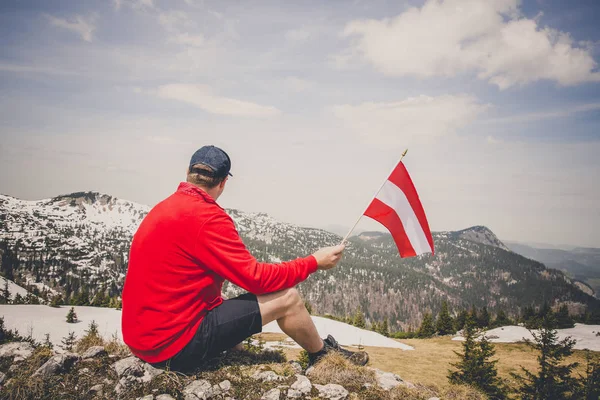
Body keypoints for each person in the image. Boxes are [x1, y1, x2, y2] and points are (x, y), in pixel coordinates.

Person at [122, 145, 368, 372]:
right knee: (288, 298)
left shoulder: (163, 208)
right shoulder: (208, 218)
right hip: (172, 348)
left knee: (225, 302)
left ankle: (236, 348)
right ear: (223, 183)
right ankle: (323, 355)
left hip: (143, 340)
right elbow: (256, 279)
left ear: (188, 173)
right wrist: (314, 262)